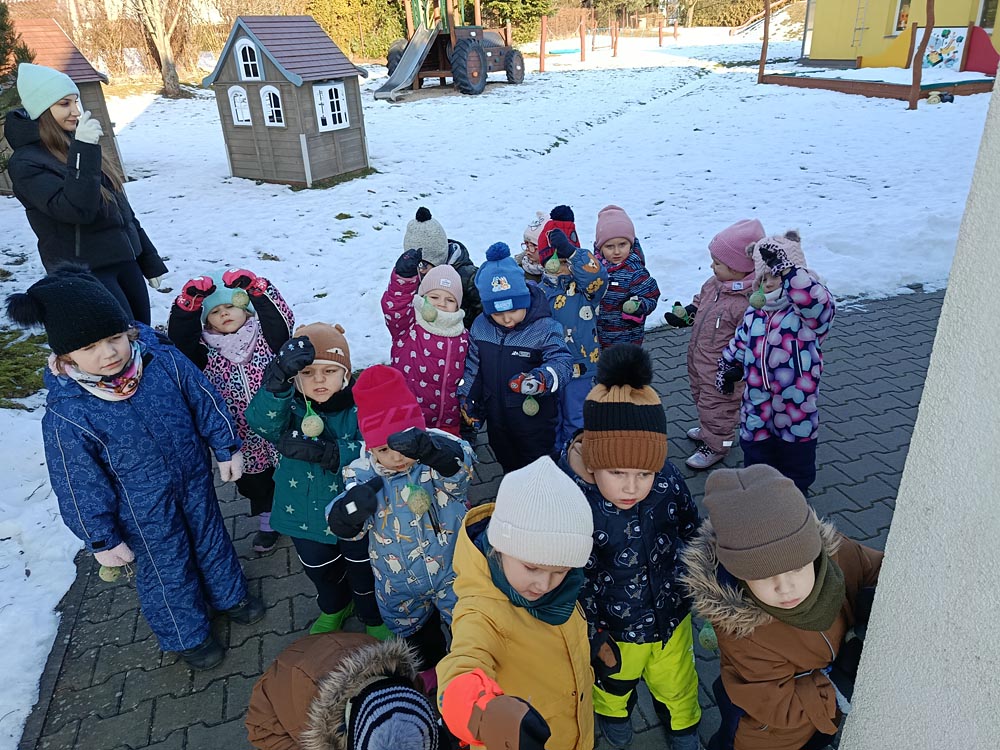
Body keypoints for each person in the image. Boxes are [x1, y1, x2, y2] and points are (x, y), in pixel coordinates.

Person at [7, 266, 261, 670]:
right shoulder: (69, 411)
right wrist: (100, 537)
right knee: (167, 566)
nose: (109, 353)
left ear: (128, 332)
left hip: (194, 479)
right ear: (68, 356)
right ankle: (187, 634)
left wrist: (226, 445)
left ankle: (230, 595)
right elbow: (76, 481)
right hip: (140, 509)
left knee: (211, 538)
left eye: (114, 338)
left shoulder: (160, 360)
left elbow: (202, 397)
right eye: (91, 347)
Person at [559, 344, 701, 750]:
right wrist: (591, 630)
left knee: (678, 680)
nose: (631, 486)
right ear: (592, 462)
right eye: (617, 472)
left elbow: (692, 531)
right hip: (613, 627)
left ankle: (683, 725)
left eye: (644, 473)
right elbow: (572, 576)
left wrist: (705, 582)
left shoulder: (668, 482)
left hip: (671, 617)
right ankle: (613, 712)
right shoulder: (577, 503)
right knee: (613, 681)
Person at [680, 464, 882, 750]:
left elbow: (877, 568)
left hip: (825, 716)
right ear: (739, 575)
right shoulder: (744, 633)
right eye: (763, 576)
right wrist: (839, 682)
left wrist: (881, 599)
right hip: (771, 735)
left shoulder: (841, 556)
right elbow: (776, 705)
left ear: (814, 551)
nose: (785, 588)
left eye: (797, 568)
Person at [326, 365, 476, 692]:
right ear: (370, 447)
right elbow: (350, 525)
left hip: (454, 570)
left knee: (469, 625)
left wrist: (436, 455)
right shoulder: (361, 474)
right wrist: (346, 514)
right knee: (417, 636)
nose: (396, 458)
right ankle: (430, 668)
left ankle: (468, 668)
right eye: (383, 449)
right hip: (398, 583)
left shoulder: (434, 452)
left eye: (402, 446)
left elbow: (462, 476)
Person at [437, 457, 596, 750]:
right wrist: (483, 717)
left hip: (574, 729)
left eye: (559, 571)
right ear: (500, 548)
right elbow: (461, 667)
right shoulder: (481, 612)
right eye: (532, 568)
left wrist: (591, 649)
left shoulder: (564, 589)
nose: (544, 585)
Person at [245, 324, 387, 638]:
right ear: (295, 378)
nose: (319, 380)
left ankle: (373, 614)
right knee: (321, 569)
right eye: (307, 373)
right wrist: (276, 383)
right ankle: (335, 607)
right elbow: (261, 424)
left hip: (354, 513)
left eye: (329, 371)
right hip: (303, 513)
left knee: (364, 568)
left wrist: (335, 453)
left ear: (345, 375)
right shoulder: (288, 408)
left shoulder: (362, 406)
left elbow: (379, 450)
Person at [4, 63, 167, 323]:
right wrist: (84, 151)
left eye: (76, 101)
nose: (76, 111)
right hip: (87, 271)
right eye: (64, 104)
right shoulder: (27, 162)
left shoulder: (75, 143)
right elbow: (77, 210)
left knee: (142, 335)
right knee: (119, 338)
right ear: (41, 109)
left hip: (126, 262)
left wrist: (148, 259)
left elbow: (122, 210)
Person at [167, 269, 294, 555]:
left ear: (245, 308)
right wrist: (187, 308)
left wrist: (258, 289)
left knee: (290, 468)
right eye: (215, 312)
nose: (223, 313)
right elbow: (179, 343)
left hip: (281, 423)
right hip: (240, 432)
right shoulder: (204, 350)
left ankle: (298, 510)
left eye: (230, 306)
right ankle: (268, 519)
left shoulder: (265, 335)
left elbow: (282, 319)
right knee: (254, 481)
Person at [717, 231, 836, 494]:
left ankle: (795, 496)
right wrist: (729, 364)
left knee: (795, 454)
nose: (769, 284)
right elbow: (742, 339)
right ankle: (759, 493)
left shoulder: (807, 313)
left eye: (776, 277)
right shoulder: (756, 310)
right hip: (756, 398)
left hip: (795, 402)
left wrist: (789, 271)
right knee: (756, 450)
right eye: (764, 278)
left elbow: (814, 301)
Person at [458, 242, 573, 472]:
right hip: (497, 418)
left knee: (539, 464)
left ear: (525, 300)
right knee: (506, 458)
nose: (507, 319)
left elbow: (562, 361)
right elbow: (473, 368)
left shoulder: (544, 327)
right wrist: (468, 400)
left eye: (513, 310)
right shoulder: (481, 327)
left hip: (535, 420)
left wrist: (542, 378)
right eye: (498, 313)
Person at [664, 219, 765, 470]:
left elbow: (753, 341)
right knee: (702, 398)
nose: (712, 266)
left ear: (739, 268)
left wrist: (738, 368)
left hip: (725, 370)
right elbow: (701, 302)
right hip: (700, 359)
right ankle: (709, 430)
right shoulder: (714, 284)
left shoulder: (749, 303)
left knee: (719, 407)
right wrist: (687, 314)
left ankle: (719, 445)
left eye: (718, 263)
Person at [246, 632, 442, 750]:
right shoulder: (300, 702)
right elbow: (259, 730)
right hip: (273, 717)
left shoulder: (404, 681)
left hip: (330, 652)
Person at [536, 205, 608, 450]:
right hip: (551, 366)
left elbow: (598, 277)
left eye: (568, 262)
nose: (563, 268)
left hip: (582, 367)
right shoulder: (539, 290)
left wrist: (574, 254)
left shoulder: (585, 290)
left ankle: (577, 457)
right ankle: (557, 456)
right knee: (552, 417)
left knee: (577, 418)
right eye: (557, 261)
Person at [381, 252, 468, 436]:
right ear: (423, 297)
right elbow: (395, 306)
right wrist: (403, 279)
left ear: (458, 305)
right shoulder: (409, 325)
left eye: (450, 300)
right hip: (409, 420)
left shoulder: (462, 335)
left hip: (449, 421)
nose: (441, 304)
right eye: (434, 297)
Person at [402, 207, 482, 329]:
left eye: (423, 264)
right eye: (415, 264)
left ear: (438, 259)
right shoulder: (412, 275)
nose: (420, 270)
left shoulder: (468, 278)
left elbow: (487, 315)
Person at [593, 205, 661, 349]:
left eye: (622, 244)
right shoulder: (593, 269)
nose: (617, 251)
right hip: (598, 337)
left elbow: (651, 296)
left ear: (631, 244)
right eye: (609, 246)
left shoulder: (635, 271)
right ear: (600, 247)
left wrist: (639, 306)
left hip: (627, 339)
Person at [515, 211, 547, 283]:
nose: (527, 250)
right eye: (526, 244)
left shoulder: (557, 276)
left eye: (533, 245)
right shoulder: (516, 268)